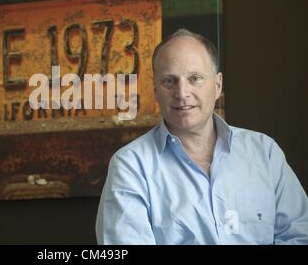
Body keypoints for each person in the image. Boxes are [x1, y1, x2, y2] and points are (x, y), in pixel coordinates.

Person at [95, 29, 308, 244]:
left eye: (195, 78)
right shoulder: (130, 167)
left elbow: (300, 235)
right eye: (169, 81)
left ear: (217, 86)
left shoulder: (265, 152)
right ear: (156, 91)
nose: (182, 93)